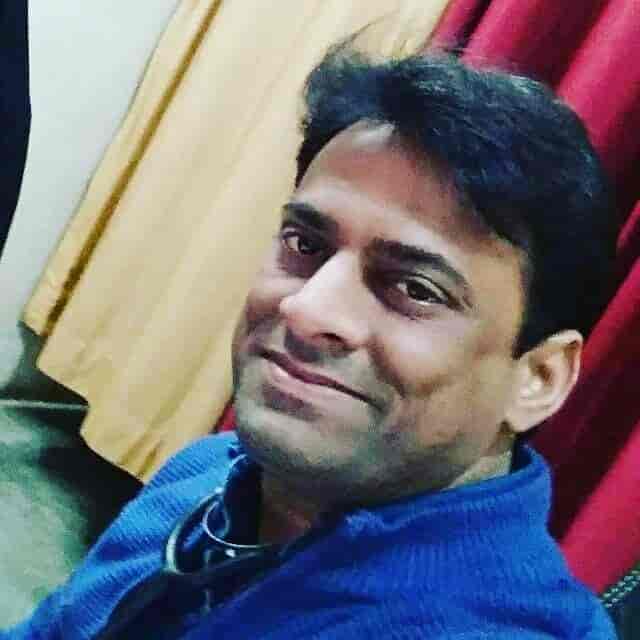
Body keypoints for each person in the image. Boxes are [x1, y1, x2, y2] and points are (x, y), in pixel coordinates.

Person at [2, 42, 618, 639]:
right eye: (305, 245)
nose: (305, 308)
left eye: (414, 288)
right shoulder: (209, 474)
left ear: (538, 378)